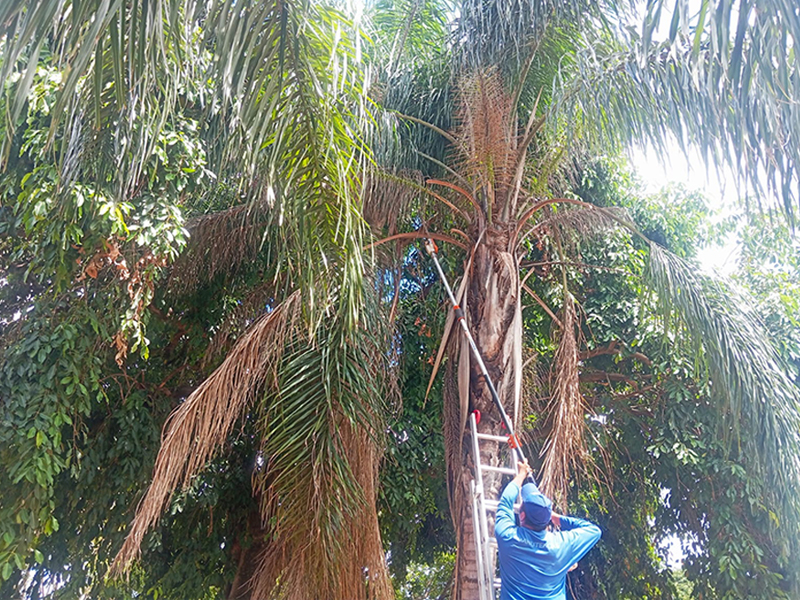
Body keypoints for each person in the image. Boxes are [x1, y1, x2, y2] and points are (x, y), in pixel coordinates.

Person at [494, 460, 601, 600]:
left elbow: (506, 501)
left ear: (522, 515)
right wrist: (557, 518)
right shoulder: (560, 545)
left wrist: (521, 474)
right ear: (547, 519)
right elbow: (594, 530)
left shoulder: (508, 536)